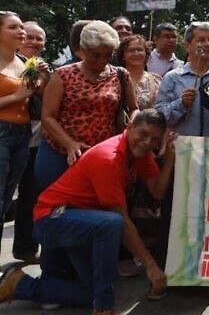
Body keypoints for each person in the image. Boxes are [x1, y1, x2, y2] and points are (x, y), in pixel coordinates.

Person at [0, 109, 176, 315]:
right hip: (52, 219)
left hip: (84, 223)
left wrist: (170, 157)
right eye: (143, 134)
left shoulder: (141, 154)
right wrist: (151, 266)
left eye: (154, 139)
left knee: (91, 292)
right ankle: (103, 308)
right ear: (129, 128)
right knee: (113, 224)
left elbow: (157, 191)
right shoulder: (108, 158)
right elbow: (121, 219)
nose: (147, 142)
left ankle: (19, 284)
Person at [38, 20, 139, 192]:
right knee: (55, 209)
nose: (102, 61)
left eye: (107, 55)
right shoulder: (63, 75)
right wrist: (70, 144)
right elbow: (47, 116)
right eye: (95, 55)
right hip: (60, 155)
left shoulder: (121, 75)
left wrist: (133, 122)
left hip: (102, 155)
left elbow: (134, 108)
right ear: (82, 50)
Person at [155, 21, 209, 138]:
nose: (208, 44)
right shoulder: (172, 78)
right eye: (201, 40)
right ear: (187, 46)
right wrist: (181, 104)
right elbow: (160, 117)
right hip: (183, 150)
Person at [0, 12, 39, 253]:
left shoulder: (25, 62)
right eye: (14, 27)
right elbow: (20, 96)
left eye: (22, 27)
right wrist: (16, 96)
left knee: (6, 202)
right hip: (1, 133)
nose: (21, 31)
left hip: (23, 134)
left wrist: (40, 79)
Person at [13, 21, 47, 263]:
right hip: (10, 137)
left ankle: (25, 248)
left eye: (39, 39)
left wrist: (43, 77)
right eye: (30, 37)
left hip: (36, 142)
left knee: (29, 197)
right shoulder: (9, 64)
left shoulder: (43, 68)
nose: (34, 42)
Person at [115, 35, 161, 110]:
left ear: (146, 53)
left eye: (140, 49)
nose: (136, 53)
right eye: (131, 50)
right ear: (123, 55)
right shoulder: (117, 79)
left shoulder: (157, 79)